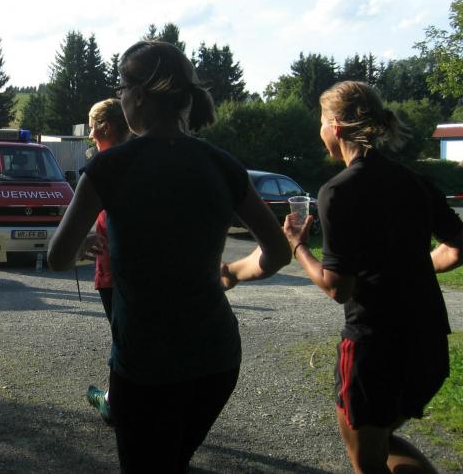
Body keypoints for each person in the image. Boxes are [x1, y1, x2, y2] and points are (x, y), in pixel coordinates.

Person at [48, 40, 291, 473]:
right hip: (216, 358)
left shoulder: (109, 167)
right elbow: (277, 252)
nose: (121, 97)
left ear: (139, 95)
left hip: (146, 364)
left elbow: (56, 258)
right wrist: (234, 271)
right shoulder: (223, 165)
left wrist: (81, 246)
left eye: (122, 88)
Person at [283, 81, 463, 474]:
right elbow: (456, 247)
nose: (320, 131)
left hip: (376, 347)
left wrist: (298, 247)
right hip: (428, 343)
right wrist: (411, 265)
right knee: (380, 440)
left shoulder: (338, 191)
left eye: (320, 122)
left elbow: (338, 287)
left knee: (367, 459)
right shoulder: (414, 181)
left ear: (335, 126)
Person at [83, 98, 132, 425]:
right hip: (126, 265)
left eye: (92, 126)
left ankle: (115, 403)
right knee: (129, 336)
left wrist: (79, 241)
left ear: (106, 127)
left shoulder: (105, 165)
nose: (89, 134)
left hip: (114, 269)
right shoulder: (140, 161)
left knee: (122, 338)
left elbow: (62, 247)